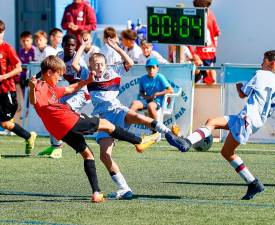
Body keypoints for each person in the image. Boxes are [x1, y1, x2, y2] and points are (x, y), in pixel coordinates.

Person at [167, 50, 275, 200]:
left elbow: (243, 94)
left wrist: (239, 87)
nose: (261, 63)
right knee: (217, 132)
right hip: (252, 122)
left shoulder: (261, 74)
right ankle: (253, 183)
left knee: (225, 147)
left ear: (271, 63)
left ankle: (187, 142)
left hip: (246, 119)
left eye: (263, 61)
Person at [29, 55, 157, 203]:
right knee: (107, 125)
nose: (60, 77)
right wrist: (32, 88)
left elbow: (70, 88)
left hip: (59, 130)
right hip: (67, 120)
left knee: (88, 155)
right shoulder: (39, 86)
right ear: (49, 73)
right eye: (58, 74)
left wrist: (87, 81)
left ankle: (96, 193)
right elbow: (34, 101)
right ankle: (138, 141)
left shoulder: (51, 88)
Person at [72, 38, 188, 200]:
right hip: (104, 119)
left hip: (118, 111)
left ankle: (168, 134)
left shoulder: (113, 71)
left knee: (138, 117)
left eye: (101, 63)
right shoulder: (88, 75)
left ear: (106, 64)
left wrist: (116, 47)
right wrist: (83, 46)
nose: (98, 66)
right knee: (104, 156)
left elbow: (129, 62)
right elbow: (75, 65)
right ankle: (124, 188)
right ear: (90, 65)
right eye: (95, 64)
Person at [0, 19, 37, 160]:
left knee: (5, 124)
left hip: (7, 91)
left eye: (1, 32)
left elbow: (18, 68)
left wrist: (3, 77)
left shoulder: (8, 48)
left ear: (3, 32)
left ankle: (29, 136)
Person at [37, 34, 89, 159]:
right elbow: (47, 67)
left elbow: (80, 83)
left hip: (82, 92)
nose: (70, 47)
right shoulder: (59, 55)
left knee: (63, 110)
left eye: (73, 45)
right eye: (67, 44)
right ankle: (54, 145)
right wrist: (36, 77)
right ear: (62, 45)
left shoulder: (79, 61)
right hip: (69, 90)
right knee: (51, 110)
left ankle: (60, 147)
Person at [189, 0, 220, 84]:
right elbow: (189, 38)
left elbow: (216, 33)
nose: (202, 6)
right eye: (200, 4)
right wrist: (194, 54)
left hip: (210, 54)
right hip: (199, 55)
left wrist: (214, 47)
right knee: (198, 76)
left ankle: (214, 94)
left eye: (204, 4)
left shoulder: (211, 15)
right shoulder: (194, 16)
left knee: (212, 78)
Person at [15, 31, 35, 125]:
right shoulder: (20, 52)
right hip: (23, 79)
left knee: (32, 98)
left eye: (27, 40)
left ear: (31, 41)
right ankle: (25, 116)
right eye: (23, 41)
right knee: (24, 98)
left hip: (32, 79)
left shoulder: (34, 51)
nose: (25, 42)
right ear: (20, 42)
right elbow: (19, 66)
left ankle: (31, 115)